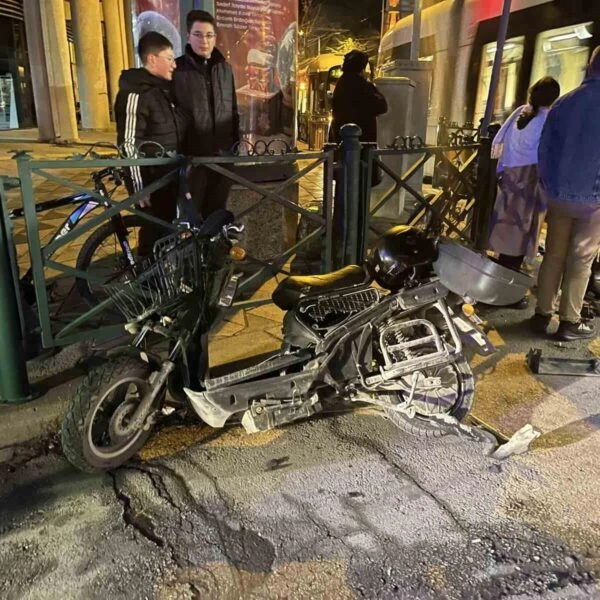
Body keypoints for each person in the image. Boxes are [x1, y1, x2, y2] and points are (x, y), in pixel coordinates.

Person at [530, 47, 600, 341]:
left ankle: (542, 314)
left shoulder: (563, 103)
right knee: (581, 258)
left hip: (558, 194)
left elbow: (544, 149)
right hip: (594, 198)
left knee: (554, 255)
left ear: (589, 67)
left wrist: (548, 184)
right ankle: (569, 323)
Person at [115, 32, 187, 257]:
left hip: (169, 175)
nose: (174, 65)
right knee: (153, 232)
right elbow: (128, 142)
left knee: (167, 230)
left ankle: (164, 283)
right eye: (169, 58)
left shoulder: (161, 91)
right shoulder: (135, 92)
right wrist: (138, 187)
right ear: (152, 59)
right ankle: (148, 285)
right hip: (151, 179)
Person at [488, 77, 561, 280]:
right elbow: (550, 152)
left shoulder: (520, 112)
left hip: (510, 175)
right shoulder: (548, 119)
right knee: (522, 229)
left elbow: (501, 140)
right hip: (530, 177)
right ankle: (508, 277)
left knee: (507, 226)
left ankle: (501, 268)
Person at [174, 10, 240, 219]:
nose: (204, 41)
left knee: (216, 217)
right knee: (189, 220)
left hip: (222, 158)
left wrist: (233, 148)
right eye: (198, 34)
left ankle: (213, 252)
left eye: (209, 35)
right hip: (193, 161)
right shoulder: (177, 70)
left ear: (215, 37)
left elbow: (233, 110)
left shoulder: (224, 69)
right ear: (188, 36)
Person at [329, 50, 388, 145]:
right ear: (362, 68)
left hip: (340, 140)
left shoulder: (341, 84)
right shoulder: (363, 85)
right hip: (362, 141)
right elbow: (381, 106)